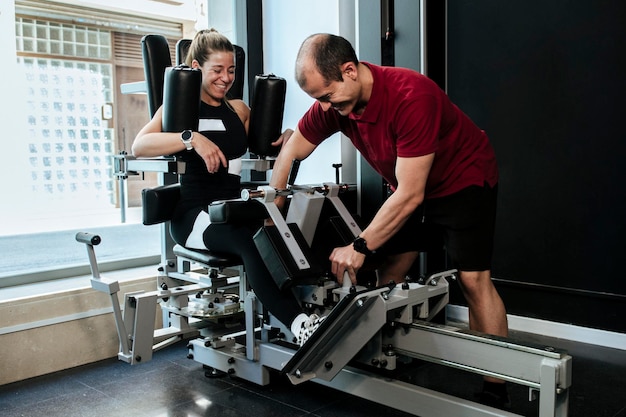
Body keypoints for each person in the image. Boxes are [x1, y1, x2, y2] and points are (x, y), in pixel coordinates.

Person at [269, 33, 510, 408]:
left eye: (327, 95)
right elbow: (293, 147)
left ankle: (496, 385)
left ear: (350, 71)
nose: (324, 106)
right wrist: (276, 201)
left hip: (463, 180)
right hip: (407, 185)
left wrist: (359, 246)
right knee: (392, 266)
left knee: (473, 279)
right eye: (318, 99)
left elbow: (411, 195)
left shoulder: (412, 95)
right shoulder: (336, 104)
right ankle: (384, 354)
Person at [132, 29, 322, 346]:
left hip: (232, 210)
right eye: (217, 70)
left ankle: (315, 310)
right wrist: (191, 138)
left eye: (231, 70)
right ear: (196, 68)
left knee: (283, 233)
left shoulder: (239, 110)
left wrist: (288, 138)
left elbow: (268, 144)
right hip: (194, 216)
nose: (226, 78)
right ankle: (299, 324)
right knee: (249, 242)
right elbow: (140, 145)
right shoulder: (179, 111)